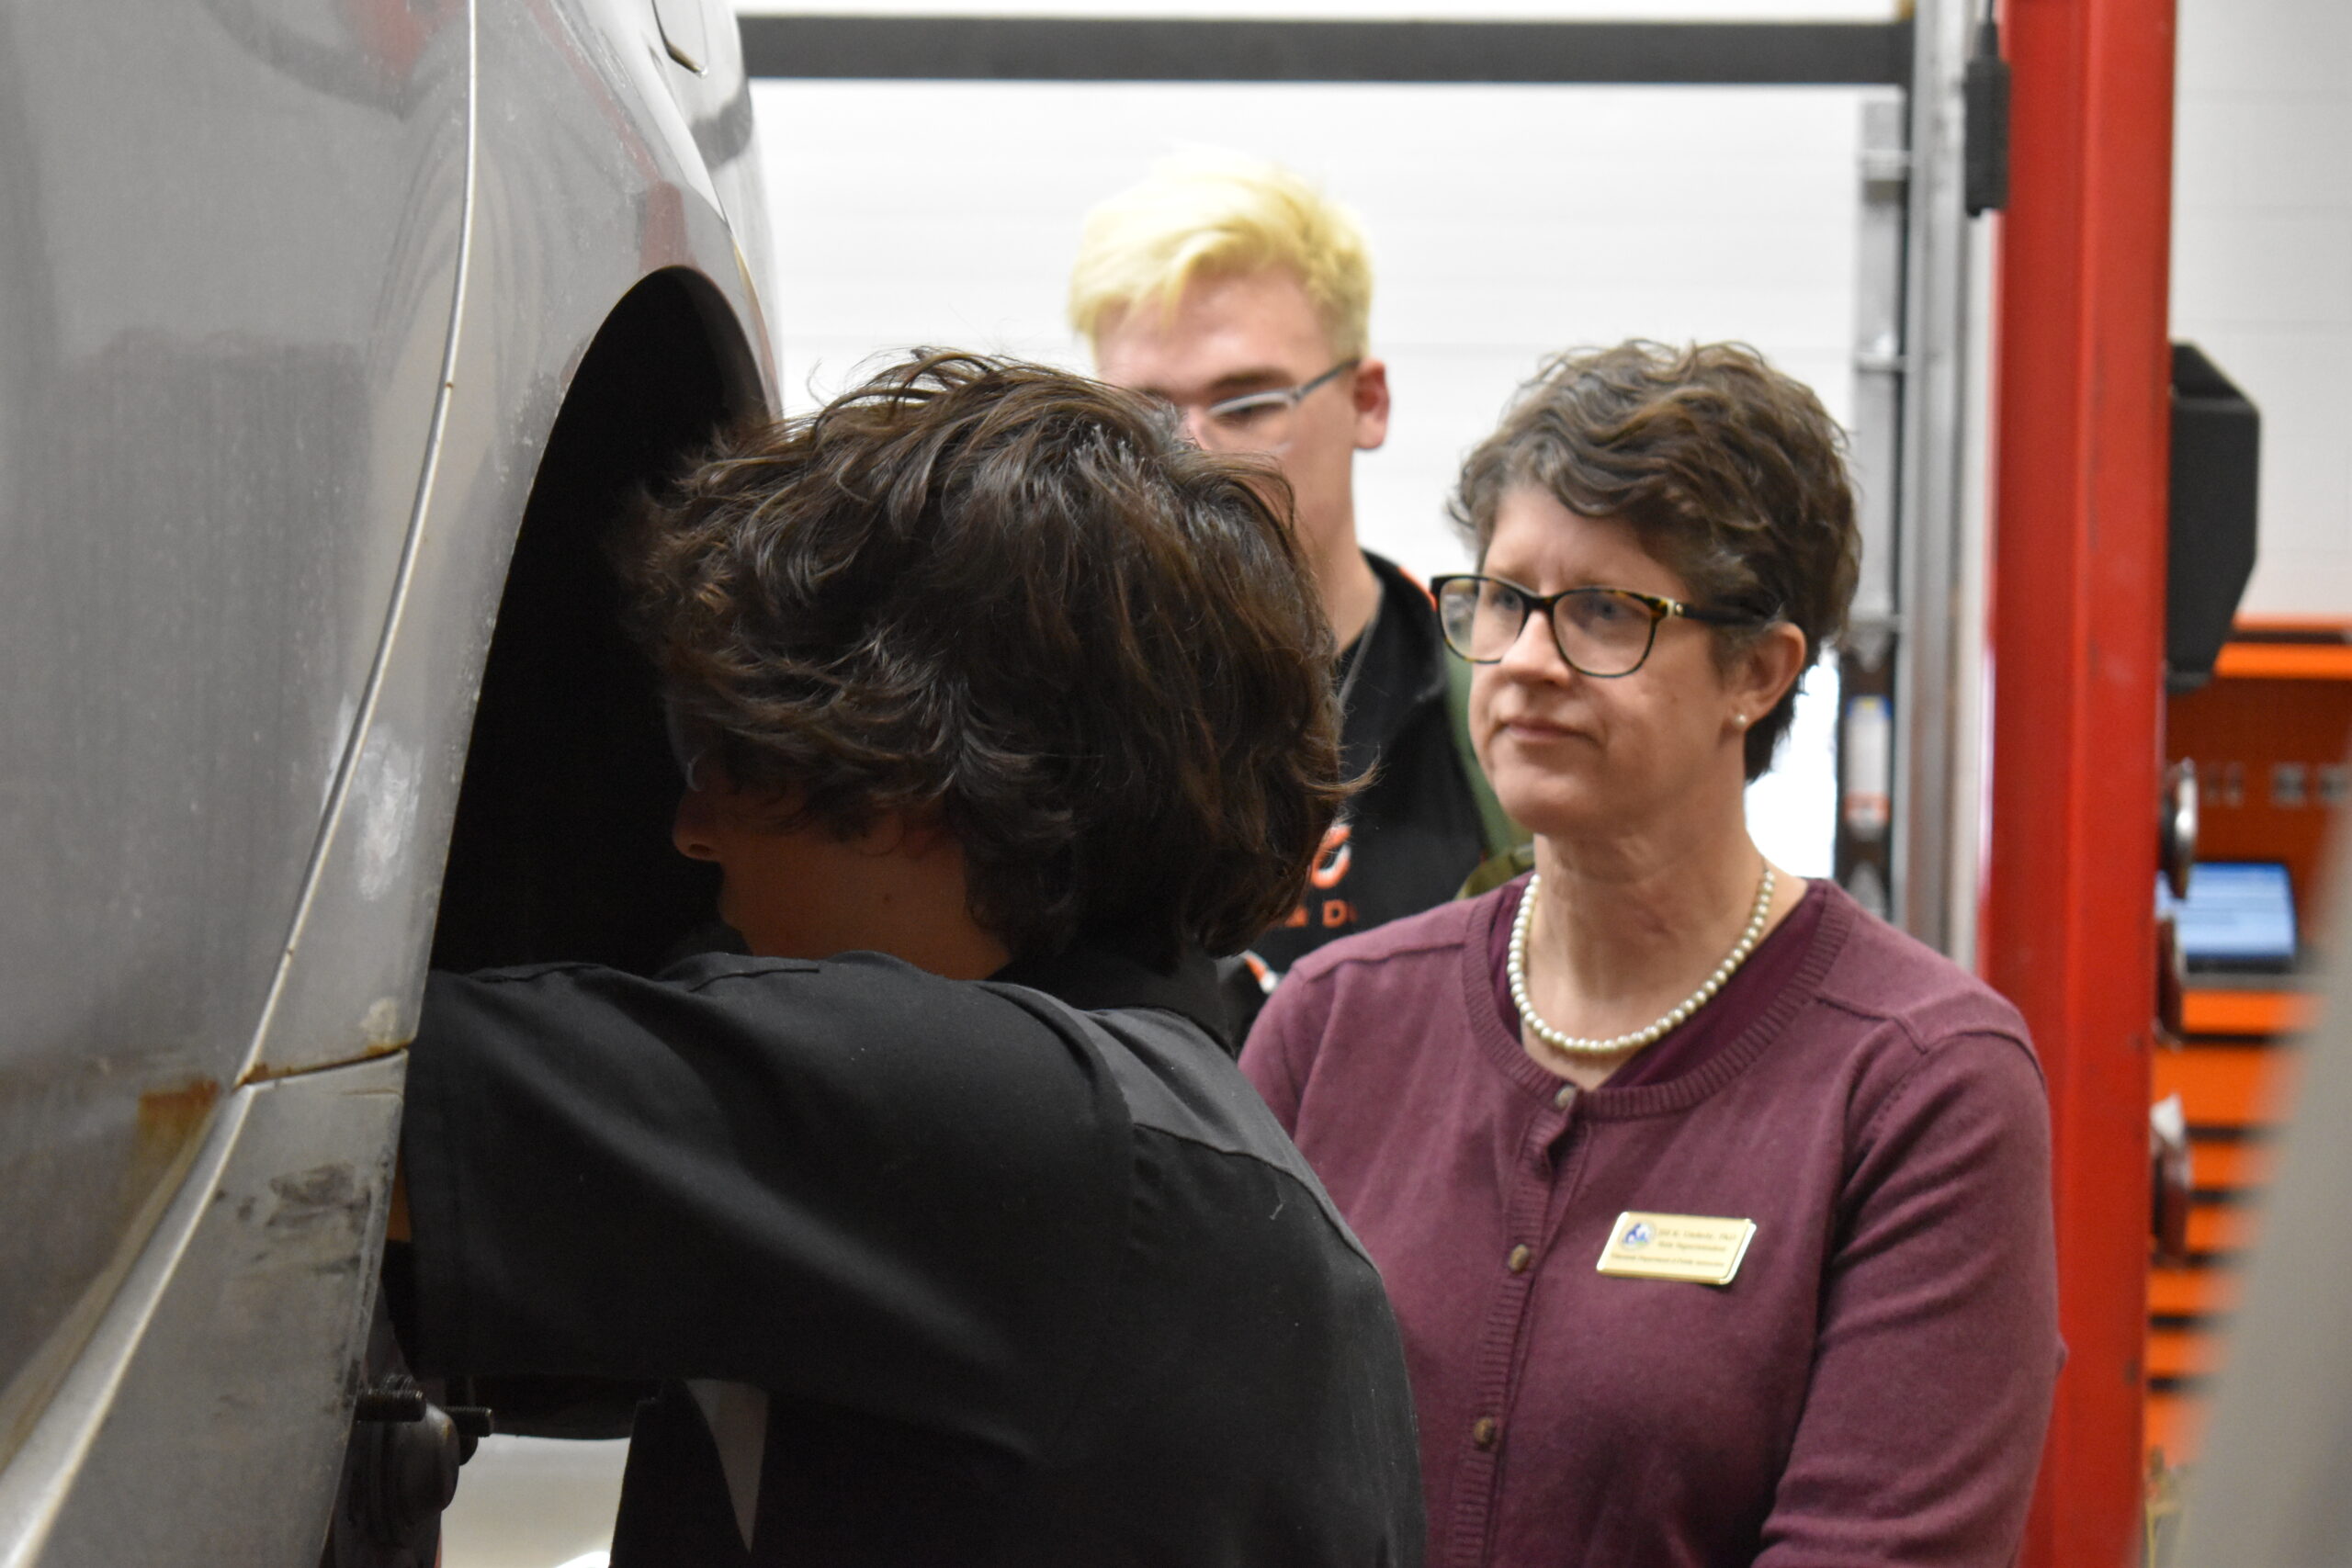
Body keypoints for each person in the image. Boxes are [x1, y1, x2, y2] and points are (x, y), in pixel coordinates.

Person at [390, 353, 1425, 1567]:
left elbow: (315, 1115)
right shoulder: (1165, 1134)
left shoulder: (1008, 1126)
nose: (692, 825)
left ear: (916, 776)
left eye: (734, 752)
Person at [1240, 341, 2061, 1567]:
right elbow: (1211, 1469)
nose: (1525, 660)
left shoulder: (1921, 1081)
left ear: (1759, 670)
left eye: (1607, 612)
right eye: (1505, 600)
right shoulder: (1332, 1021)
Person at [1069, 152, 1523, 1020]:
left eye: (1248, 404)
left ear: (1367, 401)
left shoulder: (1500, 692)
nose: (1190, 454)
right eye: (1146, 415)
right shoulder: (1042, 716)